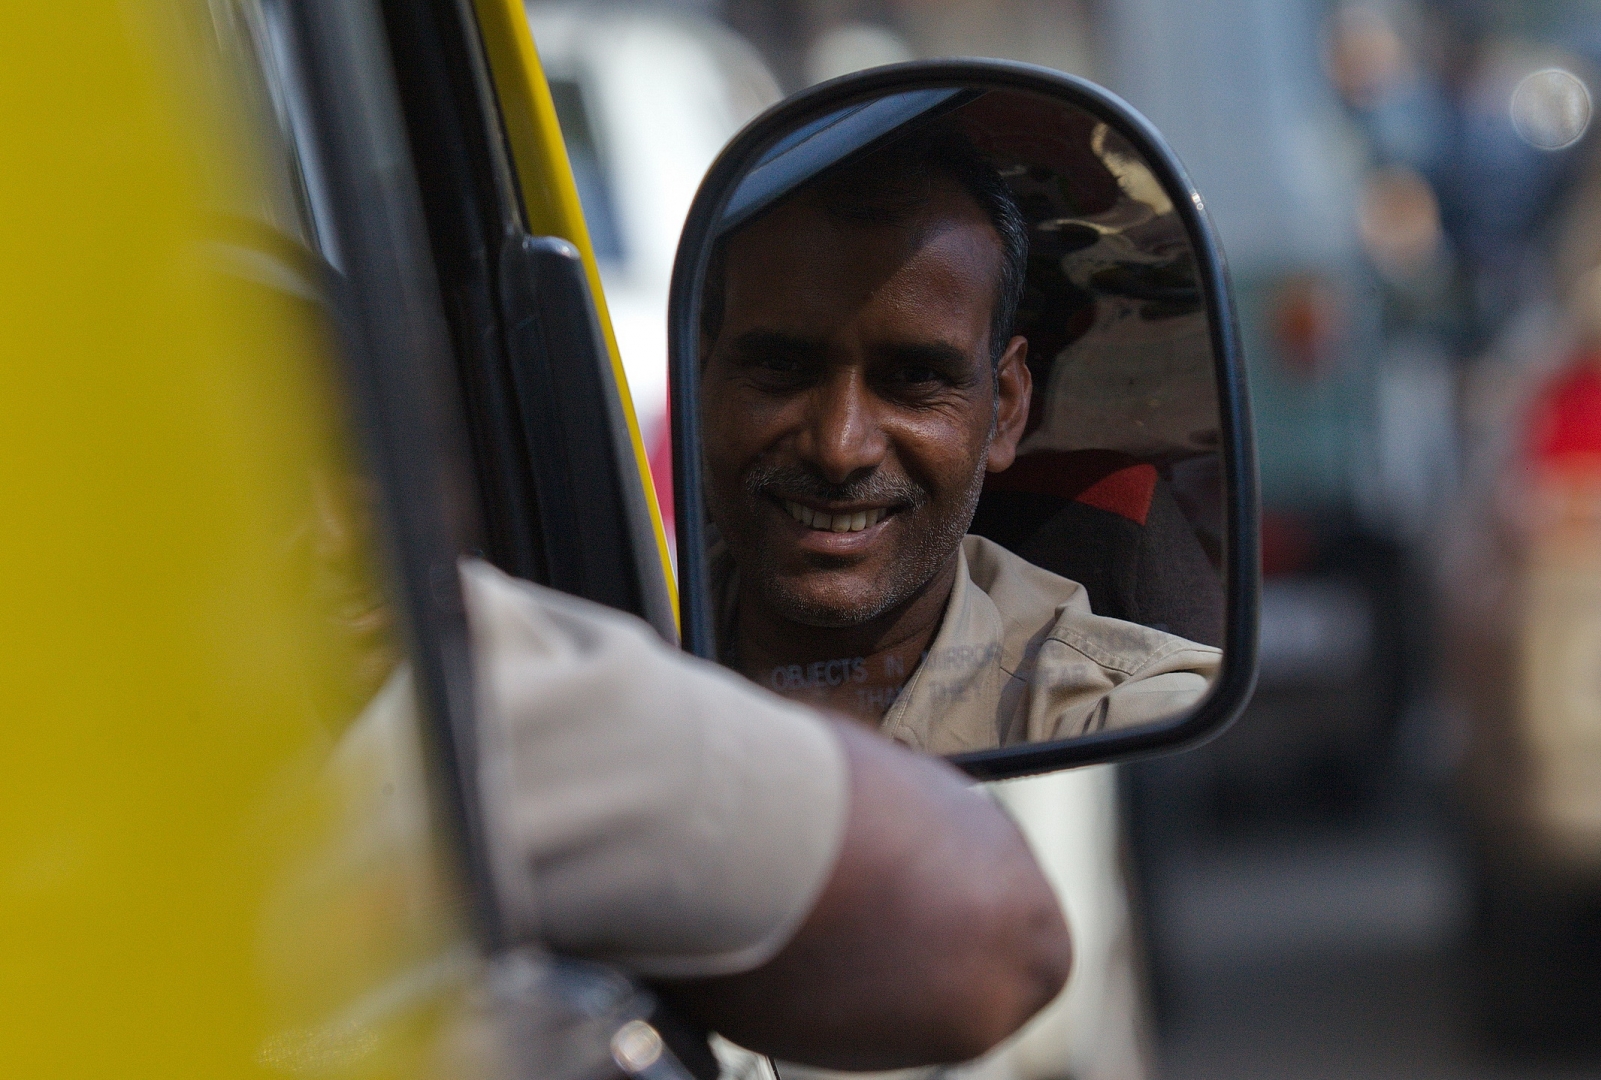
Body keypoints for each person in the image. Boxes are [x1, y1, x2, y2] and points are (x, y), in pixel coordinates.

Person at [699, 123, 1220, 752]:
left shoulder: (1118, 714)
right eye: (781, 368)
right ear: (699, 377)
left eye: (915, 377)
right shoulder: (604, 632)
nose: (838, 447)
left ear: (1003, 409)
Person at [463, 559, 1072, 1071]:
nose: (841, 448)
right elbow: (1001, 935)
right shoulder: (449, 694)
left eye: (914, 405)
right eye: (777, 404)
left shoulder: (1089, 670)